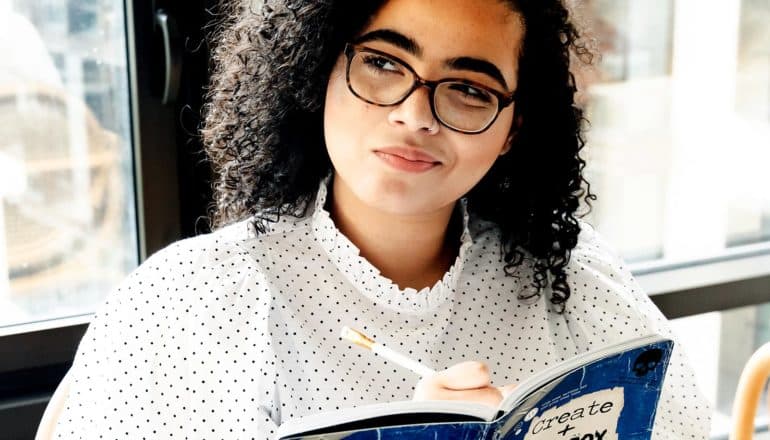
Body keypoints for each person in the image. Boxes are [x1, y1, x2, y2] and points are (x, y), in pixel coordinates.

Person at [48, 0, 711, 438]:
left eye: (470, 88)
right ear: (318, 70)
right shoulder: (188, 303)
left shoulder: (578, 284)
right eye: (384, 63)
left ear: (512, 130)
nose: (414, 114)